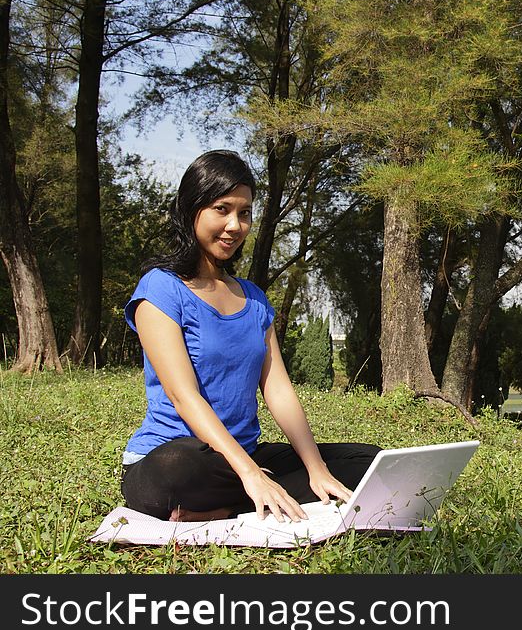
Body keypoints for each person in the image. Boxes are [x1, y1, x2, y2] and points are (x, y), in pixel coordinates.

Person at [120, 149, 380, 523]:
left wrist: (316, 467)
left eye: (244, 213)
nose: (234, 225)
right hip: (177, 459)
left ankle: (222, 509)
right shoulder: (160, 289)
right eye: (222, 209)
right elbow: (182, 394)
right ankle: (252, 495)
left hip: (240, 457)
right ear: (192, 209)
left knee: (366, 460)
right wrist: (250, 473)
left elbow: (279, 391)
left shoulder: (254, 299)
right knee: (179, 466)